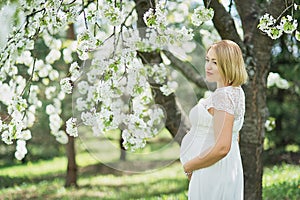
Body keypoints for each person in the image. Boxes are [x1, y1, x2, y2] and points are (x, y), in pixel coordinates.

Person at [180, 40, 248, 200]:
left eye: (215, 62)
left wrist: (190, 166)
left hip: (212, 168)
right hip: (221, 166)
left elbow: (223, 147)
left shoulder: (224, 96)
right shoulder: (235, 92)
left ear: (228, 64)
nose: (208, 67)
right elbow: (234, 136)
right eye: (207, 60)